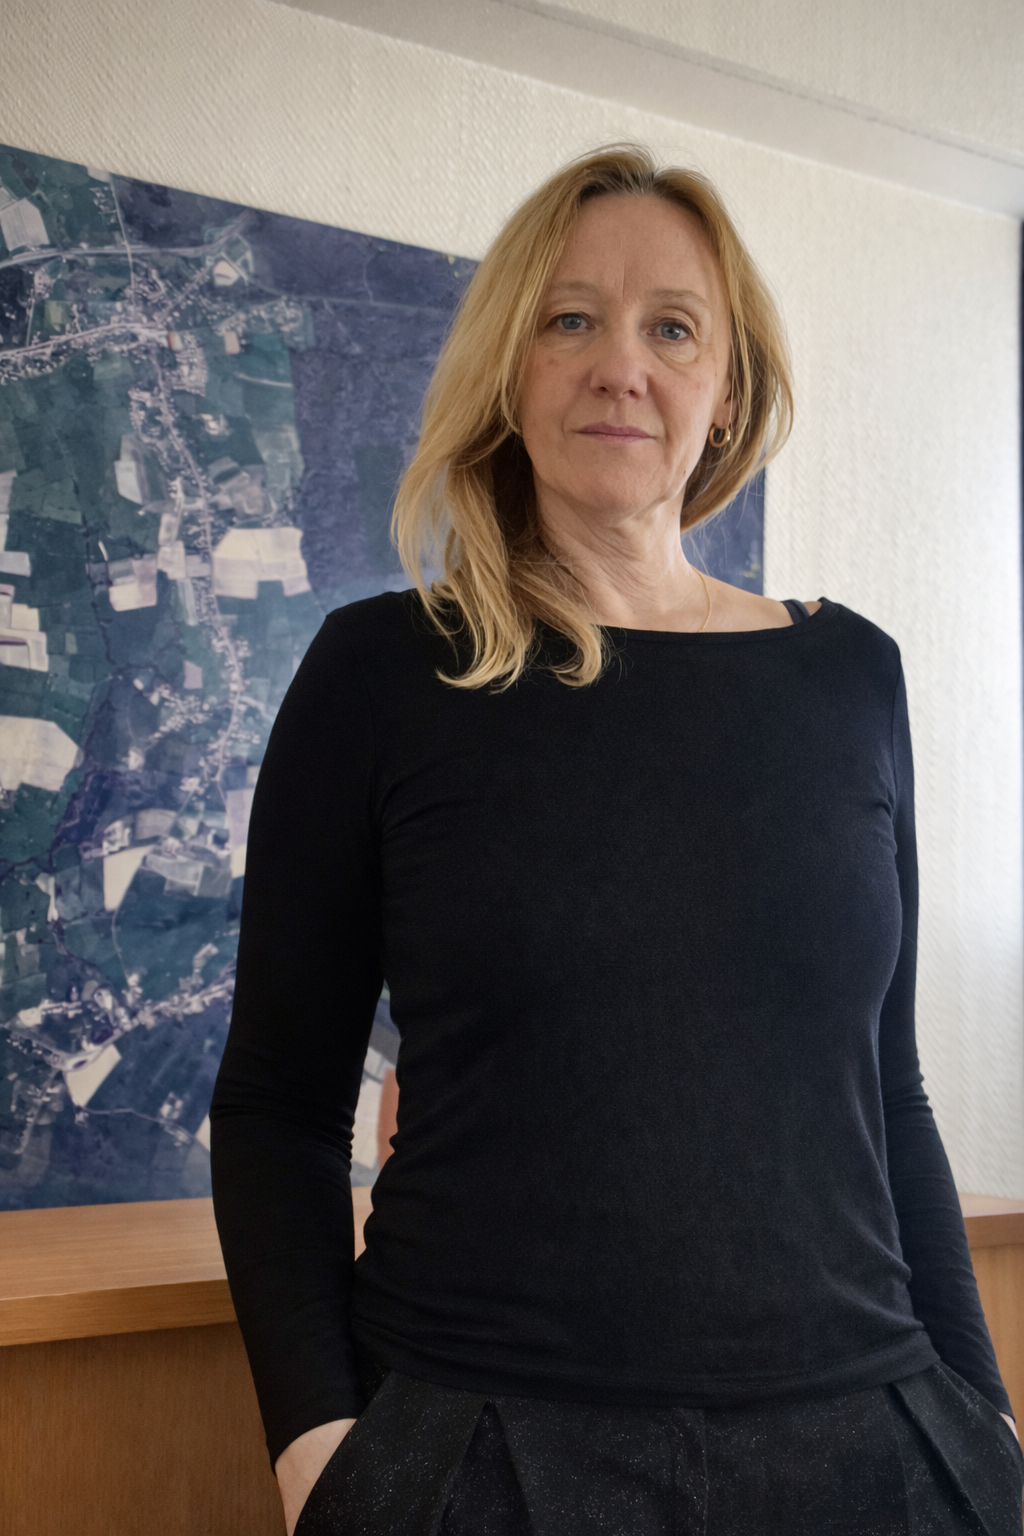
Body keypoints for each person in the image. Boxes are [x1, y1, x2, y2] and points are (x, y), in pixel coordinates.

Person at [210, 145, 1024, 1535]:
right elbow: (280, 1103)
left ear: (729, 391)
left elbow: (887, 1089)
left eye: (673, 328)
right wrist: (320, 1459)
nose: (620, 367)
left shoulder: (851, 677)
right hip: (481, 1447)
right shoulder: (381, 673)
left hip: (871, 1441)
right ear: (508, 369)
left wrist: (984, 1418)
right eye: (570, 318)